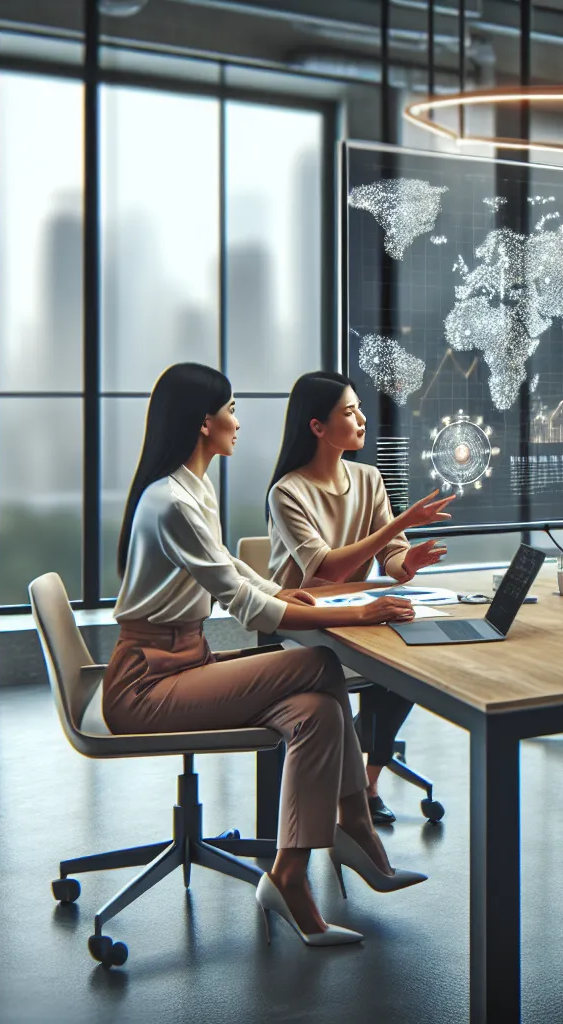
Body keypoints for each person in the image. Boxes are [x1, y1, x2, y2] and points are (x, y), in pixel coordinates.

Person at [105, 363, 427, 949]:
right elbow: (244, 607)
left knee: (319, 713)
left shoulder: (191, 487)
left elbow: (229, 569)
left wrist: (280, 589)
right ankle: (353, 827)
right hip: (145, 685)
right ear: (204, 423)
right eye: (230, 409)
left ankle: (290, 874)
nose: (238, 421)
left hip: (186, 662)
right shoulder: (173, 501)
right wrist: (353, 613)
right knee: (319, 665)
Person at [267, 370, 456, 826]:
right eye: (349, 412)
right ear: (317, 427)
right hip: (302, 622)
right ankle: (348, 781)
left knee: (410, 663)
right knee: (384, 666)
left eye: (359, 409)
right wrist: (399, 523)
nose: (362, 418)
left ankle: (366, 782)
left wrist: (406, 563)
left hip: (358, 615)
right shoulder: (287, 492)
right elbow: (326, 567)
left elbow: (390, 553)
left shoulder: (368, 478)